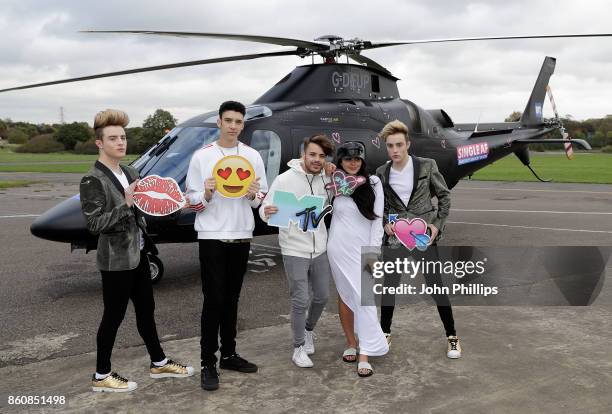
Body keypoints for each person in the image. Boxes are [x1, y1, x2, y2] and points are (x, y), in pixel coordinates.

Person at [80, 109, 193, 393]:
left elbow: (145, 207)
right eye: (113, 138)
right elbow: (94, 224)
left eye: (123, 137)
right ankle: (101, 375)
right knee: (114, 315)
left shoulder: (130, 171)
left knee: (146, 311)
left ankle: (158, 362)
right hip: (116, 260)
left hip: (139, 254)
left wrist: (174, 206)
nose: (120, 142)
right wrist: (125, 204)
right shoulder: (93, 179)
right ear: (99, 143)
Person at [186, 101, 268, 391]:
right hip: (211, 236)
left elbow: (262, 200)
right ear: (219, 122)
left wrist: (254, 195)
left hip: (242, 234)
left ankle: (229, 354)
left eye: (238, 121)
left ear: (243, 125)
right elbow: (191, 202)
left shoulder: (253, 156)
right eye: (228, 120)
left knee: (232, 299)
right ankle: (208, 360)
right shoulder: (202, 157)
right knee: (213, 300)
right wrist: (206, 193)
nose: (233, 125)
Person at [375, 119, 461, 359]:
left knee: (436, 286)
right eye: (390, 145)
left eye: (399, 145)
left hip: (423, 236)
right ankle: (384, 333)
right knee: (389, 287)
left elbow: (444, 197)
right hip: (395, 239)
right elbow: (379, 205)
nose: (395, 150)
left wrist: (436, 226)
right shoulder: (382, 172)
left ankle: (452, 336)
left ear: (408, 144)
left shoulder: (427, 166)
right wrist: (385, 223)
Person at [259, 134, 335, 368]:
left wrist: (332, 176)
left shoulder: (327, 178)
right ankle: (298, 347)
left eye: (322, 156)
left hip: (320, 247)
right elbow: (265, 208)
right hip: (294, 249)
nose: (317, 160)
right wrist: (267, 212)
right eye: (312, 154)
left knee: (322, 296)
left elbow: (332, 202)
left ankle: (309, 330)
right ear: (303, 154)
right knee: (300, 300)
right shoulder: (284, 179)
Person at [327, 141, 389, 377]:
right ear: (340, 161)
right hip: (337, 249)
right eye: (347, 159)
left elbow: (377, 221)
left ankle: (366, 352)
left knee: (365, 298)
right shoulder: (334, 184)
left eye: (357, 159)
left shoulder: (373, 183)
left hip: (363, 251)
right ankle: (351, 342)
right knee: (345, 296)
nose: (353, 163)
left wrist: (373, 252)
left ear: (362, 161)